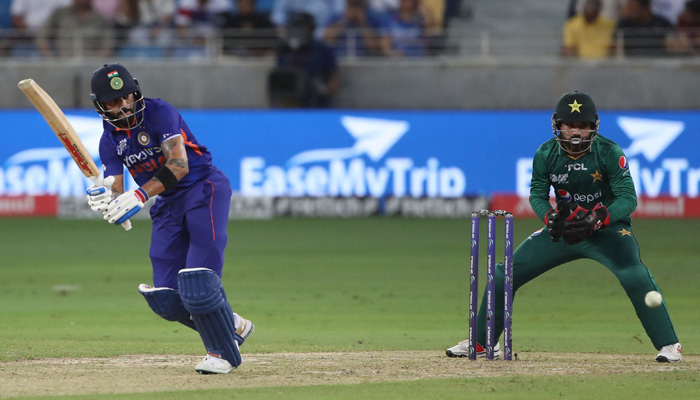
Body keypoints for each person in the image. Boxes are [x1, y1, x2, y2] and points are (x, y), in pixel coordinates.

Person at [446, 91, 682, 363]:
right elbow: (536, 194)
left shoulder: (609, 152)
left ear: (594, 126)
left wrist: (597, 218)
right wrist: (549, 218)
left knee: (634, 275)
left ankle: (669, 345)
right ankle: (483, 342)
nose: (576, 132)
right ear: (558, 126)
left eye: (582, 126)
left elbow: (628, 198)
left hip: (607, 230)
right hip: (565, 230)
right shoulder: (546, 153)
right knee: (504, 274)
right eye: (569, 125)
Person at [85, 63, 254, 374]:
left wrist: (138, 196)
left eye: (127, 96)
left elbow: (178, 165)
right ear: (101, 106)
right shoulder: (109, 141)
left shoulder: (159, 111)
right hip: (167, 204)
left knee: (198, 280)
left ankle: (222, 354)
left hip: (203, 188)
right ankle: (233, 325)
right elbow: (115, 187)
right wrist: (104, 197)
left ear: (136, 92)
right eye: (113, 101)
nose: (124, 106)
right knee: (166, 298)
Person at [268, 12, 339, 107]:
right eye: (296, 27)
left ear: (312, 29)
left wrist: (325, 91)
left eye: (303, 27)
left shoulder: (323, 49)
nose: (299, 31)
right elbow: (278, 76)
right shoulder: (284, 49)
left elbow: (335, 77)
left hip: (318, 105)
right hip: (291, 105)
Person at [35, 0, 115, 58]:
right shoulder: (60, 14)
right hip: (62, 64)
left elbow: (107, 47)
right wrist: (50, 58)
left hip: (91, 68)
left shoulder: (100, 19)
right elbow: (41, 35)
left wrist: (93, 62)